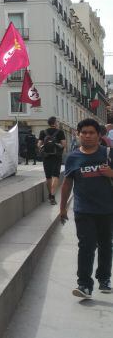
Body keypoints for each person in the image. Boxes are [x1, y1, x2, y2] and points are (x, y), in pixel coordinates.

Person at [59, 118, 113, 298]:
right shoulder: (73, 157)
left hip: (107, 209)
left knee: (106, 245)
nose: (88, 136)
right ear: (78, 134)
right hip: (84, 210)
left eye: (92, 132)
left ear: (99, 135)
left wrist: (111, 173)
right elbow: (66, 184)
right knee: (86, 246)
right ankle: (84, 285)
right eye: (84, 132)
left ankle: (104, 279)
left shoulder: (108, 153)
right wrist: (63, 208)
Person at [39, 116, 66, 205]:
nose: (58, 123)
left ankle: (50, 194)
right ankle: (53, 196)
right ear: (54, 123)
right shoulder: (60, 132)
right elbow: (63, 144)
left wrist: (44, 149)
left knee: (48, 177)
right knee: (55, 176)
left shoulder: (43, 132)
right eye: (57, 122)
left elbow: (39, 144)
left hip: (46, 157)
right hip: (56, 157)